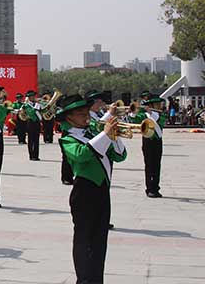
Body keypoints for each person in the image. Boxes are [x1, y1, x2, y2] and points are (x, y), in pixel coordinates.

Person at [57, 94, 127, 284]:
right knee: (84, 241)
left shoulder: (93, 134)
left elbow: (120, 156)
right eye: (80, 114)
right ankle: (84, 280)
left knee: (99, 242)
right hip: (84, 193)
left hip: (102, 191)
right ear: (69, 117)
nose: (86, 117)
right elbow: (82, 155)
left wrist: (114, 136)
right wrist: (105, 134)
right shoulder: (68, 138)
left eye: (86, 112)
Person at [129, 96, 167, 198]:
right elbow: (133, 120)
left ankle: (156, 187)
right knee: (149, 165)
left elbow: (161, 121)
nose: (159, 106)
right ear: (151, 105)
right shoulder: (144, 115)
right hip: (147, 141)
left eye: (159, 104)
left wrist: (150, 112)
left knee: (157, 165)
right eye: (157, 104)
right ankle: (149, 188)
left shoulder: (160, 114)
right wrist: (133, 111)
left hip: (157, 141)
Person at [22, 90, 42, 161]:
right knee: (31, 140)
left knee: (36, 140)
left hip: (37, 123)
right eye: (32, 96)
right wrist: (37, 106)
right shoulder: (26, 105)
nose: (34, 97)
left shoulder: (38, 104)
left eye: (34, 96)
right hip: (30, 123)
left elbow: (42, 111)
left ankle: (36, 155)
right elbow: (31, 112)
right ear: (29, 97)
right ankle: (31, 155)